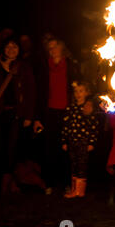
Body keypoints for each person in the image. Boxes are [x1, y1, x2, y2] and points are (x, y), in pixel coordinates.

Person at [33, 37, 81, 194]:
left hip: (67, 111)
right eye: (50, 47)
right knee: (49, 148)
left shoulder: (71, 65)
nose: (52, 50)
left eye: (55, 47)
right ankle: (49, 183)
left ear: (62, 48)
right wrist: (38, 117)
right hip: (49, 111)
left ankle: (67, 182)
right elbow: (39, 93)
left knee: (67, 148)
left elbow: (77, 86)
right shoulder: (44, 66)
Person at [0, 36, 36, 194]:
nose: (11, 50)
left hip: (15, 113)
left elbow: (31, 92)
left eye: (15, 47)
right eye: (8, 47)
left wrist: (29, 115)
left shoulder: (24, 67)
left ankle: (8, 183)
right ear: (4, 49)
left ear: (19, 50)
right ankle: (3, 181)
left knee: (11, 149)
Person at [61, 81, 99, 198]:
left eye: (81, 91)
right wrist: (64, 141)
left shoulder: (88, 108)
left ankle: (80, 191)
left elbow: (94, 126)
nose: (78, 94)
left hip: (83, 142)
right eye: (76, 91)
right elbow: (66, 125)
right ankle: (74, 190)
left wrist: (92, 142)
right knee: (74, 165)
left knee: (82, 165)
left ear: (86, 93)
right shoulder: (70, 108)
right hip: (72, 141)